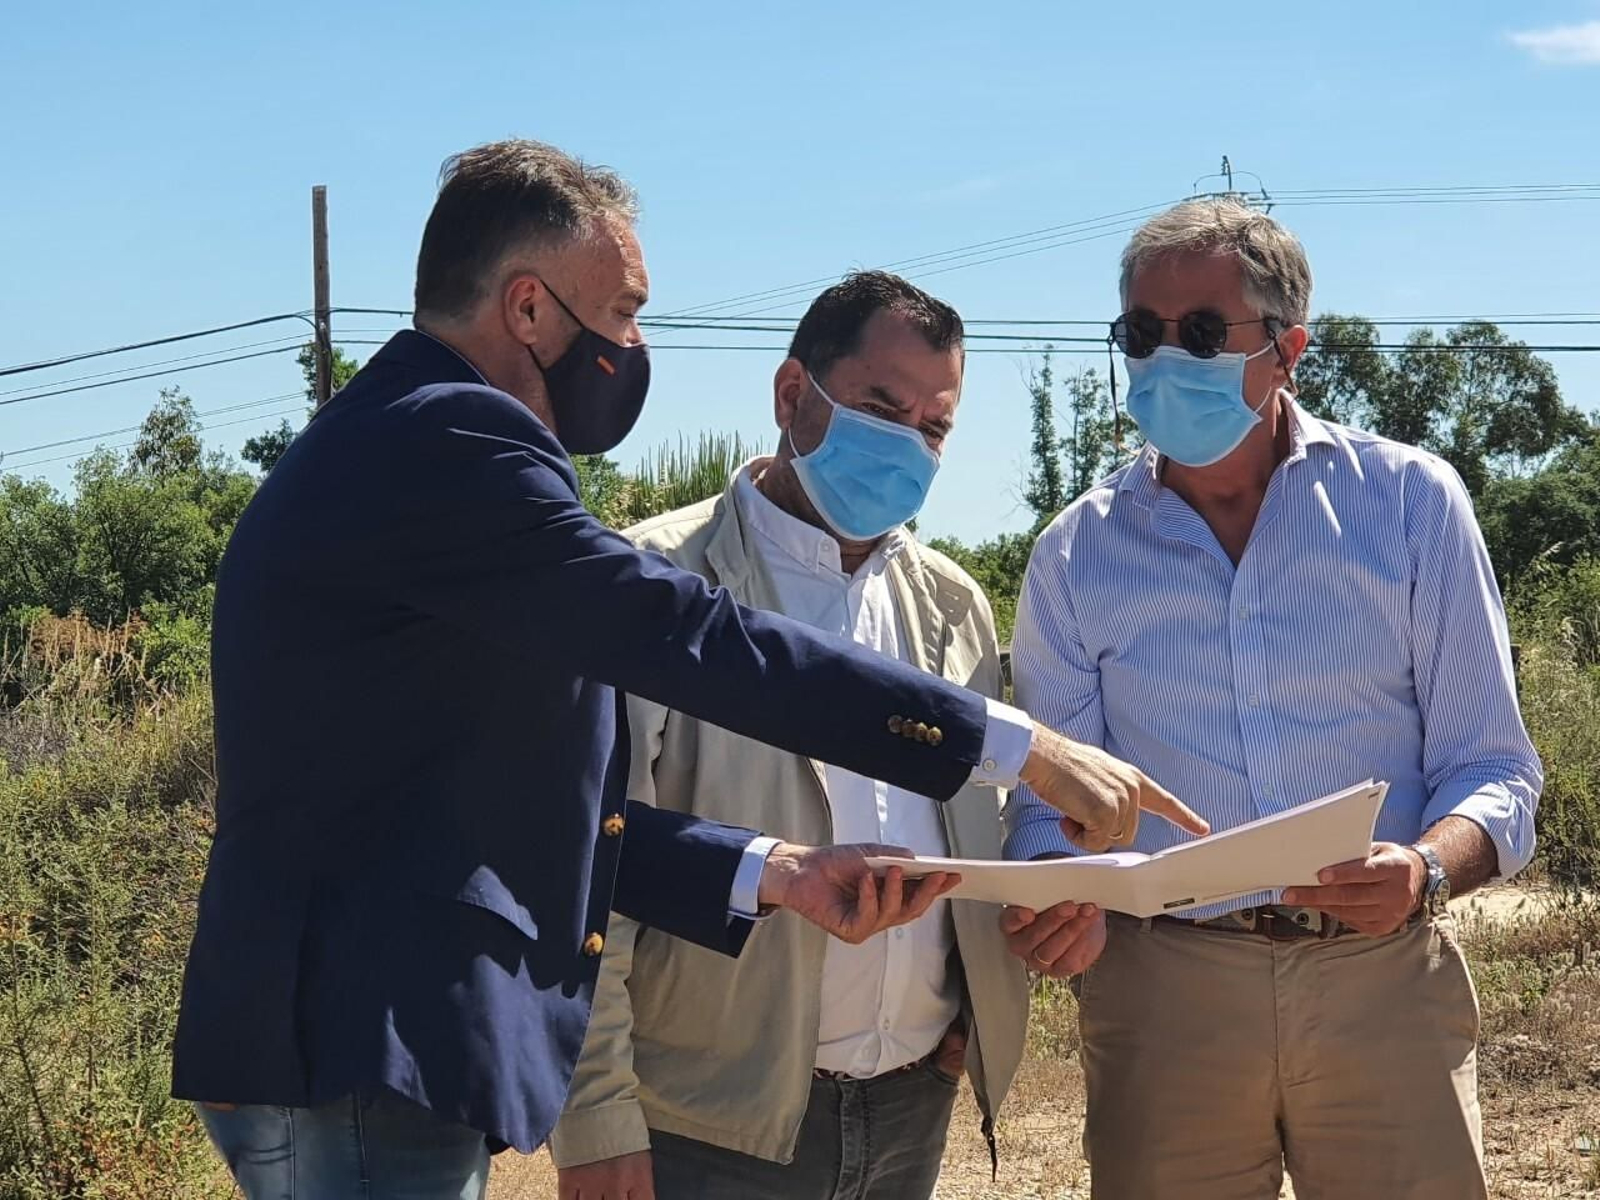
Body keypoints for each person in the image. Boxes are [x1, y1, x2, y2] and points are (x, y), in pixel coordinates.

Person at [171, 139, 1205, 1200]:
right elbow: (692, 634)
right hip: (359, 1032)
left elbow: (524, 808)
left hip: (365, 1038)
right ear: (528, 308)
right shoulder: (448, 437)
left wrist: (775, 872)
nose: (634, 344)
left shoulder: (413, 440)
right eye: (621, 311)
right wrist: (1017, 746)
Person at [1000, 197, 1543, 1200]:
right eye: (1142, 333)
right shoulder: (1075, 556)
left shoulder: (1411, 503)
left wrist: (1424, 869)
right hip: (1164, 992)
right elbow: (1046, 797)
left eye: (1202, 332)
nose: (1166, 358)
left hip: (1380, 976)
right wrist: (1051, 886)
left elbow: (1494, 769)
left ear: (1287, 349)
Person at [551, 272, 1030, 1200]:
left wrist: (975, 997)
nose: (907, 446)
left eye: (933, 427)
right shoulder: (655, 582)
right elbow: (589, 864)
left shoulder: (953, 604)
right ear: (790, 395)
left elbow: (979, 831)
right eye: (880, 408)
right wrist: (598, 1112)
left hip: (909, 1107)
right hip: (709, 1121)